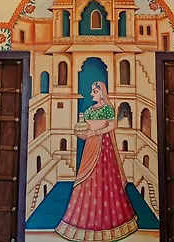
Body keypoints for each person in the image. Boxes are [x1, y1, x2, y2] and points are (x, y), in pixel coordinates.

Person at [56, 81, 138, 241]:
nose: (91, 94)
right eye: (92, 91)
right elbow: (84, 129)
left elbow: (112, 126)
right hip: (90, 147)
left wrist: (94, 133)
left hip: (104, 147)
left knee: (105, 181)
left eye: (94, 91)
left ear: (102, 93)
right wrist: (81, 133)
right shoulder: (88, 111)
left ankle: (110, 225)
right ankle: (83, 223)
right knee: (86, 180)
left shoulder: (107, 108)